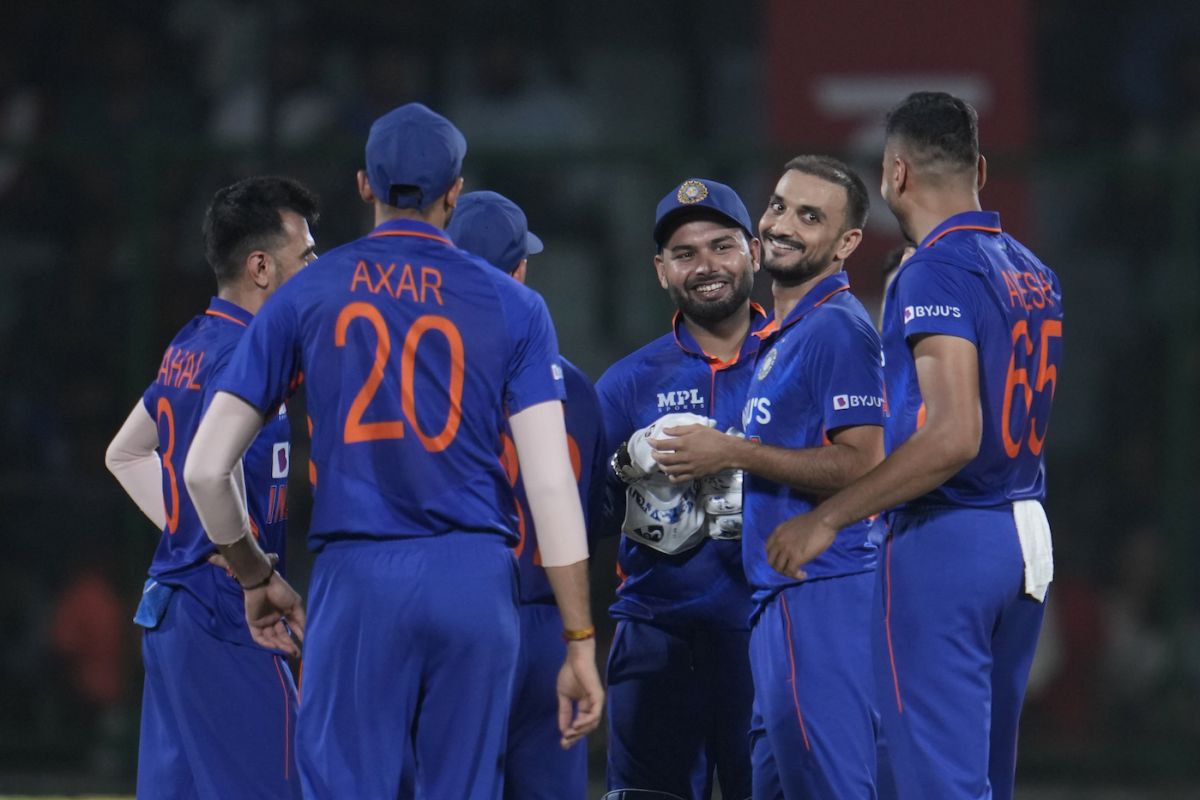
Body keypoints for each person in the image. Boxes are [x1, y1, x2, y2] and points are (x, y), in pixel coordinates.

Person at [182, 102, 604, 799]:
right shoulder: (517, 306)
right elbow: (551, 486)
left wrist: (256, 577)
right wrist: (580, 639)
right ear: (455, 191)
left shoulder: (309, 289)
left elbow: (204, 467)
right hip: (476, 577)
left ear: (363, 185)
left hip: (359, 577)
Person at [767, 92, 1064, 800]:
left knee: (931, 784)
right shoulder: (1032, 268)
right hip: (1025, 534)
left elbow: (956, 434)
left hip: (948, 539)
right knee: (982, 779)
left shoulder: (933, 269)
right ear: (981, 169)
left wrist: (828, 517)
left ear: (894, 175)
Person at [654, 156, 886, 798]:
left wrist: (731, 451)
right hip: (779, 602)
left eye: (811, 216)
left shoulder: (837, 329)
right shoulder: (787, 334)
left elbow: (864, 462)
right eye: (781, 205)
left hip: (823, 591)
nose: (784, 224)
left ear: (846, 244)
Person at [104, 175, 320, 799]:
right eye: (304, 252)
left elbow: (125, 454)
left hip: (172, 611)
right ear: (260, 266)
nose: (316, 264)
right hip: (228, 618)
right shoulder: (245, 353)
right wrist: (247, 566)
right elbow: (203, 472)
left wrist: (197, 535)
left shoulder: (193, 341)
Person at [595, 178, 764, 800]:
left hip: (769, 629)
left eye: (721, 246)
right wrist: (623, 466)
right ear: (662, 271)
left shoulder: (803, 358)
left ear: (753, 251)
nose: (707, 267)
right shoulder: (624, 383)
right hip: (656, 633)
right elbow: (593, 516)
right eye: (685, 254)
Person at [446, 190, 606, 800]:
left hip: (464, 614)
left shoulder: (424, 374)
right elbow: (580, 518)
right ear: (520, 271)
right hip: (550, 617)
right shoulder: (580, 390)